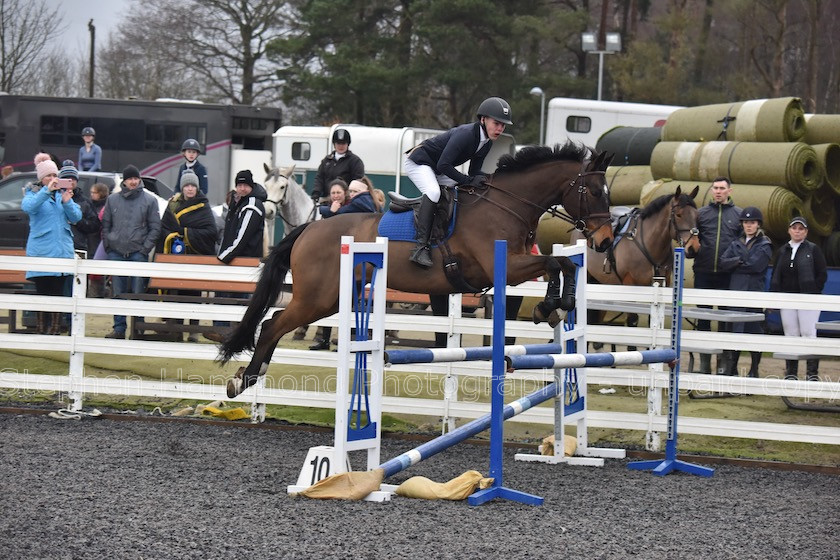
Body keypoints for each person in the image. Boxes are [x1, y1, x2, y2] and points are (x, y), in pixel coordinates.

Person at [404, 96, 512, 267]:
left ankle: (444, 234)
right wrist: (468, 180)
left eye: (503, 125)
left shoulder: (486, 143)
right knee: (433, 192)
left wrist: (493, 179)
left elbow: (473, 172)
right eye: (496, 123)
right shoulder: (466, 134)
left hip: (438, 168)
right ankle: (420, 248)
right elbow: (444, 164)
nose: (500, 128)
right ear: (483, 119)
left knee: (460, 191)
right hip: (420, 162)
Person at [309, 178, 378, 351]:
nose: (336, 195)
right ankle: (333, 339)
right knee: (341, 300)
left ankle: (350, 341)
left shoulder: (358, 203)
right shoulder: (361, 201)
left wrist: (328, 210)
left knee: (347, 301)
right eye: (333, 193)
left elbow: (338, 217)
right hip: (354, 259)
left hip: (356, 260)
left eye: (340, 192)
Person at [22, 153, 82, 334]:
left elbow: (76, 217)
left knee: (58, 294)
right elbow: (28, 208)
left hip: (61, 252)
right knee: (43, 293)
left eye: (54, 175)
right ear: (41, 178)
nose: (52, 179)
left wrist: (67, 201)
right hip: (42, 252)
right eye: (48, 175)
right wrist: (46, 191)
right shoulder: (33, 194)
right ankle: (41, 328)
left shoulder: (61, 195)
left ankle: (55, 329)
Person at [101, 165, 162, 339]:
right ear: (124, 181)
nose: (133, 181)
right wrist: (108, 245)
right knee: (118, 293)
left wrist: (145, 249)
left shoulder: (150, 200)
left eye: (136, 178)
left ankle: (138, 328)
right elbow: (106, 224)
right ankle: (119, 328)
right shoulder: (112, 200)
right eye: (130, 179)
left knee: (138, 292)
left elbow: (155, 227)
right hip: (116, 252)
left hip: (138, 252)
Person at [157, 172, 219, 342]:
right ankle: (175, 329)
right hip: (175, 258)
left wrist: (185, 233)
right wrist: (172, 236)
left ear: (197, 188)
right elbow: (163, 228)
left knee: (193, 294)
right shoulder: (173, 205)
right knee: (175, 293)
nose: (190, 188)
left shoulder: (203, 206)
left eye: (192, 186)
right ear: (182, 187)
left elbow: (211, 232)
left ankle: (193, 330)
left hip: (196, 258)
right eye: (187, 185)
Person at [206, 170, 266, 342]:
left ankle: (239, 336)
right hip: (234, 260)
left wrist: (222, 257)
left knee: (240, 301)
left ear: (251, 186)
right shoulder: (239, 202)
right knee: (225, 296)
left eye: (245, 185)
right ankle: (221, 331)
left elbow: (242, 237)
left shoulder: (252, 204)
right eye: (239, 185)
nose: (242, 188)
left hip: (243, 261)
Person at [692, 176, 742, 373]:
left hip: (726, 274)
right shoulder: (701, 215)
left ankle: (723, 363)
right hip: (703, 272)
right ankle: (704, 365)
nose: (718, 191)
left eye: (722, 188)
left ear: (729, 191)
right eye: (715, 188)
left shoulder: (739, 215)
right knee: (703, 318)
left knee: (724, 320)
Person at [770, 217, 827, 381]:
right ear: (789, 230)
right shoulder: (782, 251)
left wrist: (813, 291)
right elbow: (776, 274)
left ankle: (812, 373)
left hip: (808, 299)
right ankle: (791, 372)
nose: (797, 231)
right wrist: (774, 297)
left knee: (808, 333)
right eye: (794, 228)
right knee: (790, 334)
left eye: (801, 229)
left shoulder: (813, 249)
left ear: (806, 232)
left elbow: (822, 274)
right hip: (787, 298)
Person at [717, 207, 773, 377]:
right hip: (736, 294)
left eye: (752, 223)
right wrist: (740, 261)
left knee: (755, 332)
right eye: (746, 222)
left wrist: (736, 264)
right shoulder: (736, 243)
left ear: (758, 225)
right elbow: (723, 263)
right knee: (736, 331)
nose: (749, 226)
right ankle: (732, 369)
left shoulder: (765, 244)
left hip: (754, 293)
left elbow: (757, 266)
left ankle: (754, 370)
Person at [58, 161, 100, 331]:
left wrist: (77, 222)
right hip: (59, 248)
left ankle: (71, 324)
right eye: (66, 178)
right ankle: (58, 322)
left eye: (73, 179)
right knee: (59, 287)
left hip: (78, 247)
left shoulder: (84, 202)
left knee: (75, 289)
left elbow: (95, 225)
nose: (70, 182)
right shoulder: (55, 198)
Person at [311, 128, 365, 201]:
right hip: (327, 198)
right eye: (338, 143)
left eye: (343, 143)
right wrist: (316, 193)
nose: (341, 146)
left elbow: (357, 182)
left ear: (347, 144)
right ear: (334, 144)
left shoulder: (355, 161)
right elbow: (319, 178)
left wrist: (347, 196)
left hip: (346, 200)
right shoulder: (326, 160)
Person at [87, 182, 110, 297]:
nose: (91, 195)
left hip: (101, 241)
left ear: (101, 194)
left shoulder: (107, 206)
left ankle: (98, 294)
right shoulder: (89, 205)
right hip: (91, 240)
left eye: (94, 192)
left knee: (97, 270)